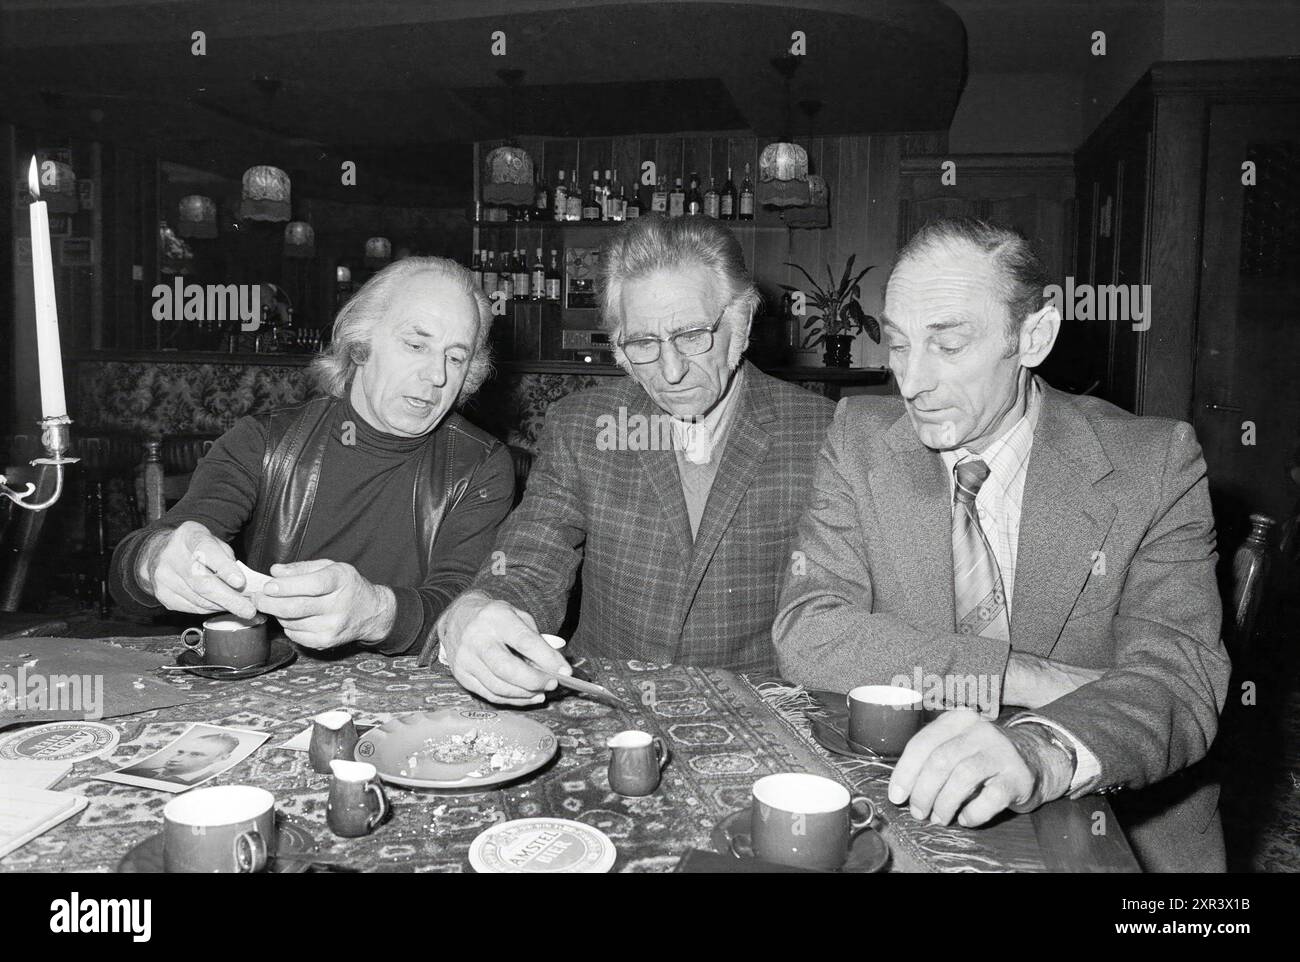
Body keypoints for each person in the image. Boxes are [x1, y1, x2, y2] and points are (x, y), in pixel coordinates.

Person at [773, 217, 1230, 872]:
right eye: (898, 345)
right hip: (912, 799)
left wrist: (1039, 749)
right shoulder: (861, 439)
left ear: (1034, 335)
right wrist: (1020, 673)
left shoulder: (1154, 463)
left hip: (1116, 826)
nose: (913, 381)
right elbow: (807, 631)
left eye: (949, 346)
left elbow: (1179, 681)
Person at [430, 216, 835, 703]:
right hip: (609, 704)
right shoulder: (583, 426)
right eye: (643, 343)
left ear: (741, 322)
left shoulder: (824, 433)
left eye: (691, 335)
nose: (671, 370)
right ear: (619, 347)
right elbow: (530, 562)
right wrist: (480, 606)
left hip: (759, 711)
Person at [110, 257, 515, 656]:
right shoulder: (265, 442)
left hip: (411, 701)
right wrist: (155, 560)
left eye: (456, 357)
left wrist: (377, 613)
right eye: (415, 345)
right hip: (269, 687)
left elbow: (463, 606)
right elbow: (132, 572)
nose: (438, 375)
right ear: (360, 345)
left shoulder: (478, 465)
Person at [125, 732, 241, 784]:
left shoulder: (211, 785)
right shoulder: (136, 772)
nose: (176, 759)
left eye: (195, 754)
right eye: (180, 752)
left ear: (221, 758)